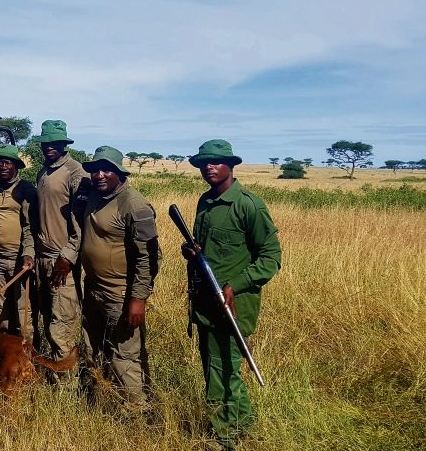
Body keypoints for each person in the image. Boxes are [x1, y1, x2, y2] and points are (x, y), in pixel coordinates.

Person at [183, 139, 282, 448]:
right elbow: (205, 249)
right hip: (205, 302)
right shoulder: (205, 202)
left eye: (215, 162)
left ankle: (224, 437)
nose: (208, 168)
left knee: (221, 370)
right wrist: (191, 251)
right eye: (204, 163)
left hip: (232, 305)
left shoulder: (249, 205)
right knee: (220, 368)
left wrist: (234, 285)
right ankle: (243, 422)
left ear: (231, 165)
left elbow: (271, 258)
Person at [78, 146, 161, 410]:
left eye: (107, 170)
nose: (100, 175)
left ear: (120, 173)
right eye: (95, 170)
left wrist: (138, 299)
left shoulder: (134, 205)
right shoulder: (94, 194)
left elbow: (149, 257)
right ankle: (103, 398)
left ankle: (137, 408)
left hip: (120, 294)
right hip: (93, 287)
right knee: (94, 345)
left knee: (125, 353)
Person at [34, 120, 88, 360]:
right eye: (46, 143)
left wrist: (67, 257)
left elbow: (81, 222)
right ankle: (53, 371)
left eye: (55, 143)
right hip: (42, 259)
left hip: (62, 262)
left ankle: (65, 379)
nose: (49, 147)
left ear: (65, 144)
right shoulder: (43, 173)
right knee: (47, 319)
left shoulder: (76, 173)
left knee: (61, 326)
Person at [0, 144, 36, 339]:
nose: (3, 167)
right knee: (0, 310)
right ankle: (5, 349)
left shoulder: (26, 190)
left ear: (16, 166)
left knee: (23, 310)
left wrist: (28, 254)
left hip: (20, 261)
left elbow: (30, 227)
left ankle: (27, 350)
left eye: (7, 163)